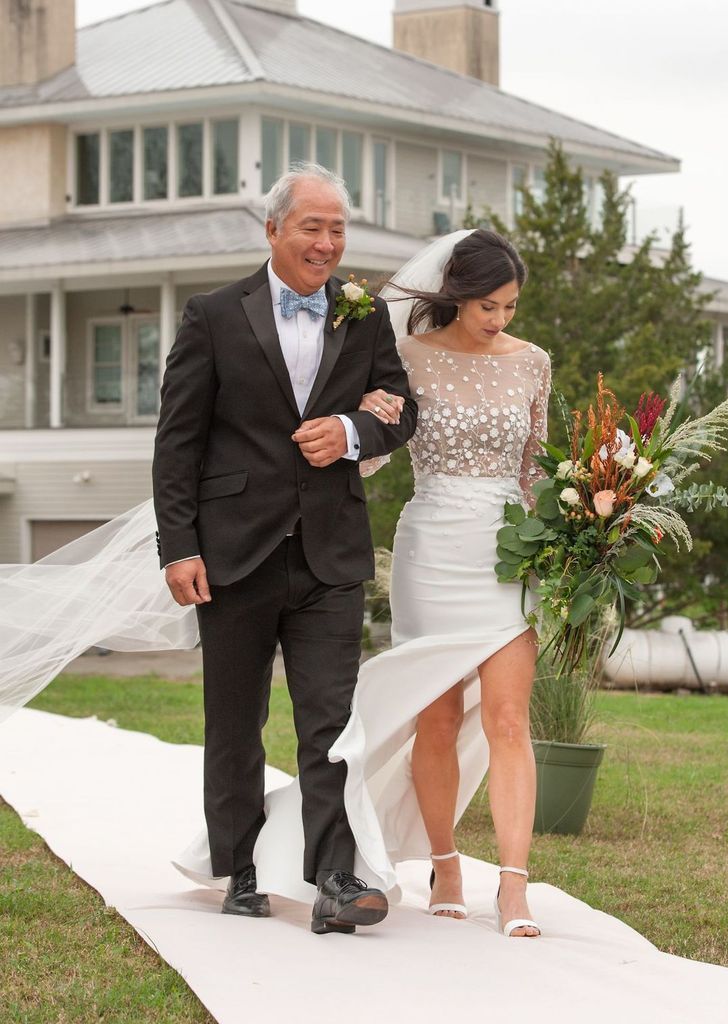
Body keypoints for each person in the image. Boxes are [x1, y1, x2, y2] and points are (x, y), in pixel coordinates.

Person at [241, 228, 550, 938]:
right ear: (454, 296)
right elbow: (373, 457)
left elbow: (536, 466)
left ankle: (513, 886)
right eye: (487, 306)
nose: (500, 319)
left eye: (509, 306)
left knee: (507, 719)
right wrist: (356, 427)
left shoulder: (532, 363)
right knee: (435, 719)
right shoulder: (406, 355)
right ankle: (444, 863)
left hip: (508, 554)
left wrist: (579, 532)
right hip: (431, 546)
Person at [152, 163, 417, 932]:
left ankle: (333, 878)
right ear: (272, 229)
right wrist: (178, 546)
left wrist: (350, 433)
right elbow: (178, 441)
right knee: (234, 719)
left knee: (330, 723)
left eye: (338, 228)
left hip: (331, 553)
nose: (328, 242)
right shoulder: (212, 315)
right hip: (232, 551)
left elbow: (401, 411)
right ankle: (237, 867)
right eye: (313, 226)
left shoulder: (363, 314)